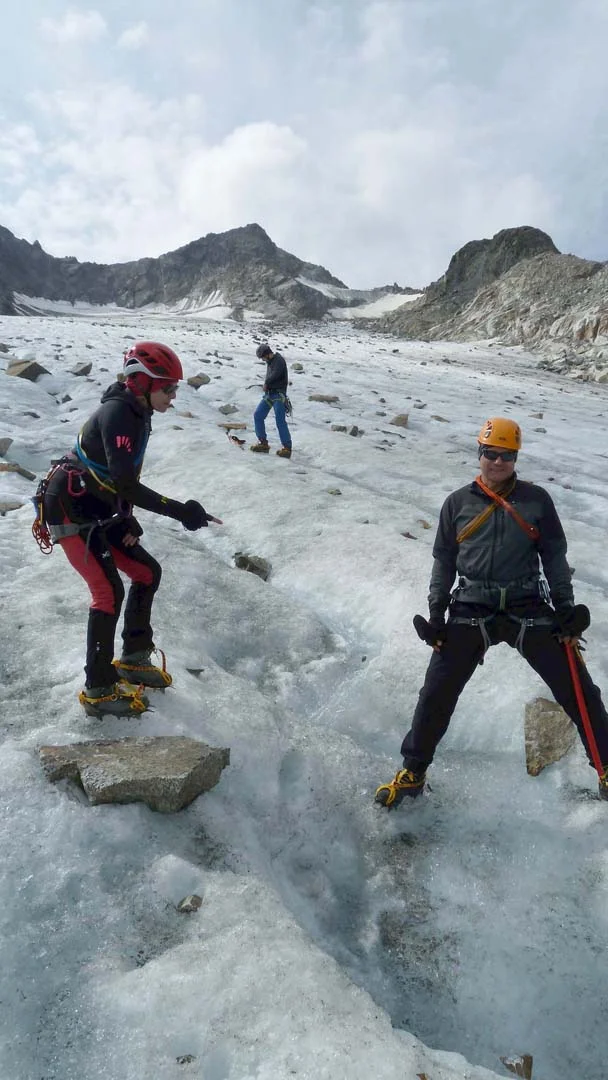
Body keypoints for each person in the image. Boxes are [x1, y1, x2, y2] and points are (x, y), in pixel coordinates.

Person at [375, 416, 608, 807]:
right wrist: (436, 615)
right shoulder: (457, 504)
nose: (498, 462)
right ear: (479, 453)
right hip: (471, 606)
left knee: (579, 688)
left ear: (516, 457)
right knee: (436, 690)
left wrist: (566, 612)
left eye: (507, 455)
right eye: (491, 454)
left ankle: (605, 768)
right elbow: (444, 562)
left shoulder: (537, 501)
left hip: (526, 604)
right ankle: (413, 773)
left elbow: (554, 558)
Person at [39, 341, 222, 717]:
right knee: (107, 592)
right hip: (70, 508)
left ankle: (134, 657)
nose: (173, 396)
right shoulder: (119, 415)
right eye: (168, 388)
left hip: (98, 505)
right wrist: (179, 510)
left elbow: (117, 475)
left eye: (175, 388)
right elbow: (123, 480)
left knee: (146, 572)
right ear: (142, 383)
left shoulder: (139, 411)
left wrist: (125, 515)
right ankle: (99, 689)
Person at [250, 343, 292, 458]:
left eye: (263, 357)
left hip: (279, 395)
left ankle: (287, 448)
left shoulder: (279, 360)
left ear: (267, 354)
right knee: (258, 415)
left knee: (280, 421)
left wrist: (266, 383)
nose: (263, 360)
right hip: (270, 394)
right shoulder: (270, 362)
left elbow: (275, 375)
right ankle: (263, 442)